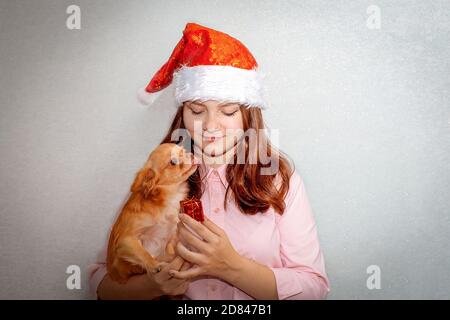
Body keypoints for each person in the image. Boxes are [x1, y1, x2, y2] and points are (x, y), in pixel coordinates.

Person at [88, 22, 330, 300]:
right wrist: (154, 285)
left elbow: (315, 288)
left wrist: (232, 267)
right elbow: (101, 282)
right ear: (183, 115)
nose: (210, 125)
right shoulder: (159, 178)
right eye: (197, 110)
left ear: (248, 117)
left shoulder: (278, 182)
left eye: (228, 111)